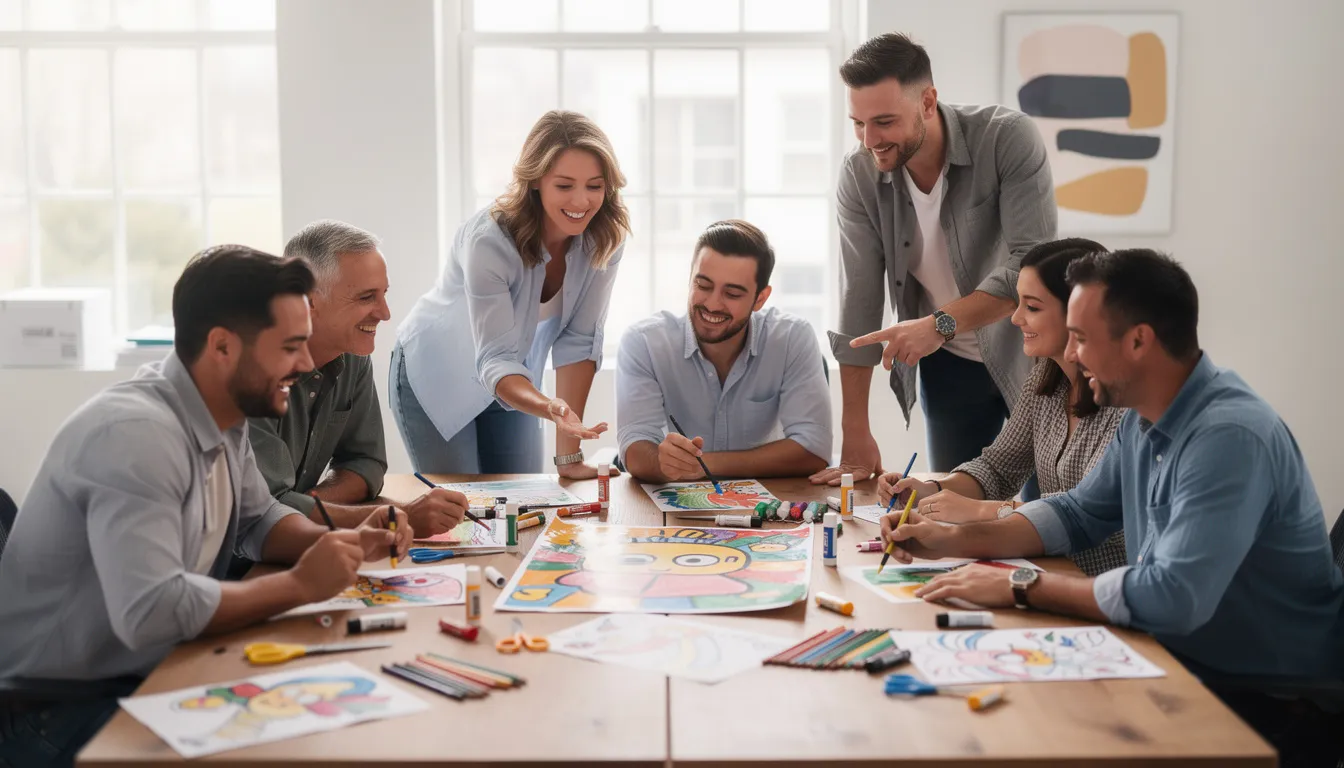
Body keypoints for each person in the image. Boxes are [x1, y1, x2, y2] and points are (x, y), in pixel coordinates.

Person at [878, 249, 1343, 762]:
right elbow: (1077, 514)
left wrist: (1020, 585)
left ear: (1139, 340)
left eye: (1081, 338)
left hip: (1264, 702)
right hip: (1180, 663)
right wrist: (949, 540)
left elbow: (1174, 596)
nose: (1073, 356)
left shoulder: (1227, 436)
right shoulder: (1143, 416)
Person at [0, 246, 413, 768]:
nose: (307, 364)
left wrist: (338, 542)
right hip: (55, 710)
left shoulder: (224, 411)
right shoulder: (135, 436)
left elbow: (257, 519)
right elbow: (151, 611)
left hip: (148, 670)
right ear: (222, 347)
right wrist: (300, 585)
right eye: (290, 346)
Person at [814, 32, 1057, 485]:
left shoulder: (1005, 139)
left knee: (1048, 507)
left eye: (884, 122)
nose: (870, 140)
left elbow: (1032, 264)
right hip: (948, 369)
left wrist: (938, 324)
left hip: (1033, 357)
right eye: (858, 123)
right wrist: (855, 430)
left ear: (928, 102)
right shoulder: (859, 175)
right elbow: (859, 299)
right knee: (953, 506)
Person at [392, 110, 630, 477]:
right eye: (565, 186)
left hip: (514, 377)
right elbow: (494, 359)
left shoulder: (604, 239)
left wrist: (569, 459)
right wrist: (549, 406)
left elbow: (579, 342)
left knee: (524, 504)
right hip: (439, 372)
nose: (581, 201)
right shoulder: (490, 240)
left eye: (594, 186)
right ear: (535, 181)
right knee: (463, 513)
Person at [877, 238, 1127, 577]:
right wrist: (930, 491)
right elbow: (997, 468)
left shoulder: (1125, 407)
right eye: (1018, 303)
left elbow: (1091, 521)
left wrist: (982, 512)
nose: (1015, 318)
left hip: (1096, 584)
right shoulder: (1045, 380)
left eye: (1033, 307)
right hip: (1049, 569)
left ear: (1079, 313)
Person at [247, 220, 467, 539]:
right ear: (309, 301)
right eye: (367, 298)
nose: (385, 313)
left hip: (295, 542)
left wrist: (311, 506)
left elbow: (367, 463)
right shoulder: (252, 372)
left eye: (383, 295)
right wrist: (398, 517)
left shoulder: (352, 355)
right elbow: (267, 510)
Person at [617, 220, 832, 482]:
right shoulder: (644, 343)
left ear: (760, 299)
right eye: (703, 286)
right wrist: (663, 461)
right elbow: (634, 450)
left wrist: (704, 465)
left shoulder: (791, 338)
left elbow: (814, 448)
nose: (712, 304)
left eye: (732, 293)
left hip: (768, 506)